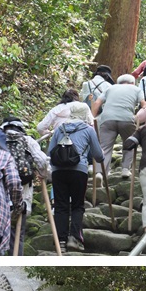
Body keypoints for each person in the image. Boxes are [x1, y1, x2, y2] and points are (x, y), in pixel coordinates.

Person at [47, 102, 104, 253]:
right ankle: (75, 238)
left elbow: (50, 151)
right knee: (78, 205)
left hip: (58, 171)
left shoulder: (60, 128)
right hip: (79, 171)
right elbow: (98, 155)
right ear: (85, 114)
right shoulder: (88, 129)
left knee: (61, 206)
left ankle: (61, 241)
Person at [0, 116, 50, 256]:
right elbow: (42, 161)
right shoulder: (27, 141)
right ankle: (16, 258)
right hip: (22, 191)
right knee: (17, 233)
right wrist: (44, 174)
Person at [91, 74, 145, 180]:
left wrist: (92, 118)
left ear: (118, 82)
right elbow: (144, 105)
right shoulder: (136, 89)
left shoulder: (110, 88)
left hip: (107, 119)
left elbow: (97, 102)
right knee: (130, 143)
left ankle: (99, 172)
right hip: (127, 119)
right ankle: (125, 169)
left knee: (104, 147)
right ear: (132, 82)